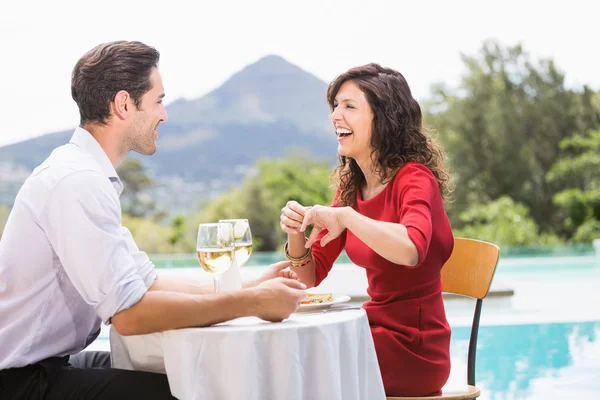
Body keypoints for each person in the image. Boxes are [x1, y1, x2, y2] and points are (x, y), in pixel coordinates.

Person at [0, 40, 306, 400]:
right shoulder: (76, 182)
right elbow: (129, 316)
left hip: (48, 366)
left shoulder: (84, 175)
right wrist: (252, 303)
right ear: (124, 104)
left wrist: (248, 286)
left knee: (188, 373)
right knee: (181, 392)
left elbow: (146, 283)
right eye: (158, 100)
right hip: (21, 382)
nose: (164, 114)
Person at [279, 63, 454, 397]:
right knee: (294, 355)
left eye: (349, 106)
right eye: (335, 107)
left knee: (305, 367)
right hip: (369, 329)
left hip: (415, 347)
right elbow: (308, 278)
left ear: (383, 118)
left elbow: (411, 250)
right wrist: (296, 232)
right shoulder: (351, 186)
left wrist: (347, 217)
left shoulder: (414, 179)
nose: (335, 116)